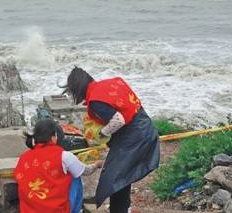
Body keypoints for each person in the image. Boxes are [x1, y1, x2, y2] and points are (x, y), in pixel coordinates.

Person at [61, 66, 160, 213]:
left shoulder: (95, 100)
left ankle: (119, 209)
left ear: (77, 88)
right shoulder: (110, 84)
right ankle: (124, 208)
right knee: (122, 177)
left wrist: (102, 134)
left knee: (115, 179)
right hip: (145, 128)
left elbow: (118, 120)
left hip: (134, 136)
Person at [14, 119, 103, 213]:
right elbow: (85, 171)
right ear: (54, 137)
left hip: (29, 209)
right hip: (55, 210)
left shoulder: (24, 157)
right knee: (75, 176)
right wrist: (97, 164)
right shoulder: (64, 156)